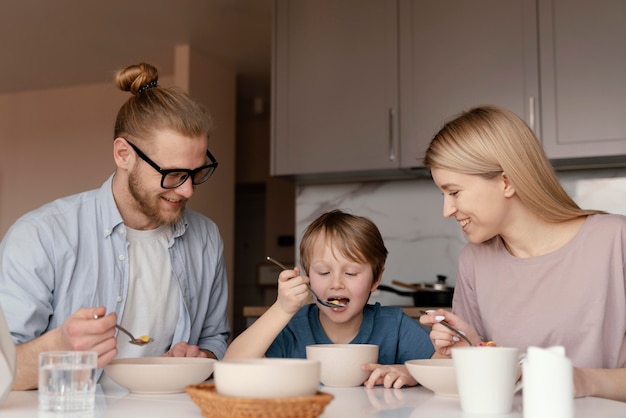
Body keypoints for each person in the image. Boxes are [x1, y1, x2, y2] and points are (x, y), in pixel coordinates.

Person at [0, 62, 230, 390]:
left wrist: (200, 355)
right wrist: (60, 346)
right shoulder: (41, 236)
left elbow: (215, 337)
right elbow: (2, 369)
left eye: (196, 173)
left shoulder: (206, 237)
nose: (188, 190)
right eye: (174, 174)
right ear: (124, 155)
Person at [418, 105, 626, 401]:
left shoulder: (615, 240)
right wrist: (468, 351)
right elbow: (467, 388)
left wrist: (584, 380)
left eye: (454, 192)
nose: (447, 210)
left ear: (506, 181)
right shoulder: (474, 260)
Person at [224, 209, 435, 389]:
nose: (336, 283)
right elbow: (231, 367)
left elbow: (444, 367)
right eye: (324, 273)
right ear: (307, 277)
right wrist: (282, 308)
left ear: (376, 278)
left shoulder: (394, 327)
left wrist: (411, 373)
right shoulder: (292, 328)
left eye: (351, 273)